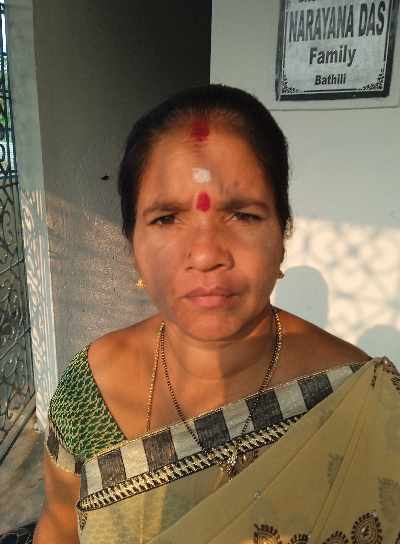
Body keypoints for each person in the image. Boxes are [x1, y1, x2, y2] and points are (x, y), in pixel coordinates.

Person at [33, 85, 400, 544]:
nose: (206, 254)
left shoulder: (356, 401)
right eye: (167, 218)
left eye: (242, 215)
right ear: (132, 244)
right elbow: (59, 526)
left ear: (283, 232)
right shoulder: (91, 392)